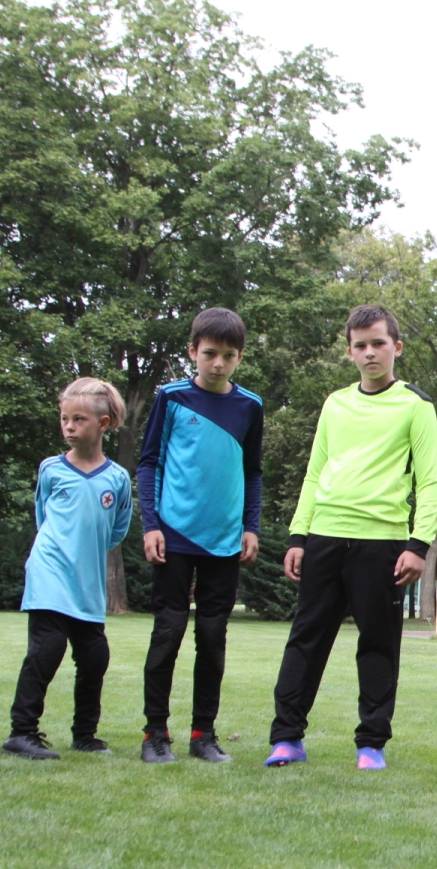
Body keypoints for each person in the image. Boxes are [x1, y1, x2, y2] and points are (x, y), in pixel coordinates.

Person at [264, 304, 437, 771]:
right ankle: (286, 738)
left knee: (378, 645)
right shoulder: (335, 404)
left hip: (383, 544)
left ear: (396, 347)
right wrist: (298, 535)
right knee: (306, 640)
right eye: (360, 345)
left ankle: (371, 744)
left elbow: (431, 482)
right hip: (324, 537)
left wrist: (418, 545)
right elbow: (314, 472)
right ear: (350, 352)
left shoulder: (416, 406)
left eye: (378, 343)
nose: (370, 353)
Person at [136, 308, 263, 764]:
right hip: (173, 537)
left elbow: (253, 472)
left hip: (225, 542)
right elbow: (149, 462)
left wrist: (250, 527)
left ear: (239, 357)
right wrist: (151, 524)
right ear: (193, 351)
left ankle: (203, 735)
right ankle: (155, 735)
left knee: (211, 637)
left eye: (228, 355)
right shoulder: (171, 398)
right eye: (209, 353)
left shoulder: (250, 406)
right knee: (168, 633)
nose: (218, 363)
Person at [2, 378, 133, 760]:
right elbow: (43, 518)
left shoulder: (117, 479)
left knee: (94, 657)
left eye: (78, 419)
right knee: (47, 649)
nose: (69, 426)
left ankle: (85, 735)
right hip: (49, 571)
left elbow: (117, 530)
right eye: (64, 419)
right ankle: (21, 733)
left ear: (103, 424)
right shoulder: (51, 469)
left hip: (87, 582)